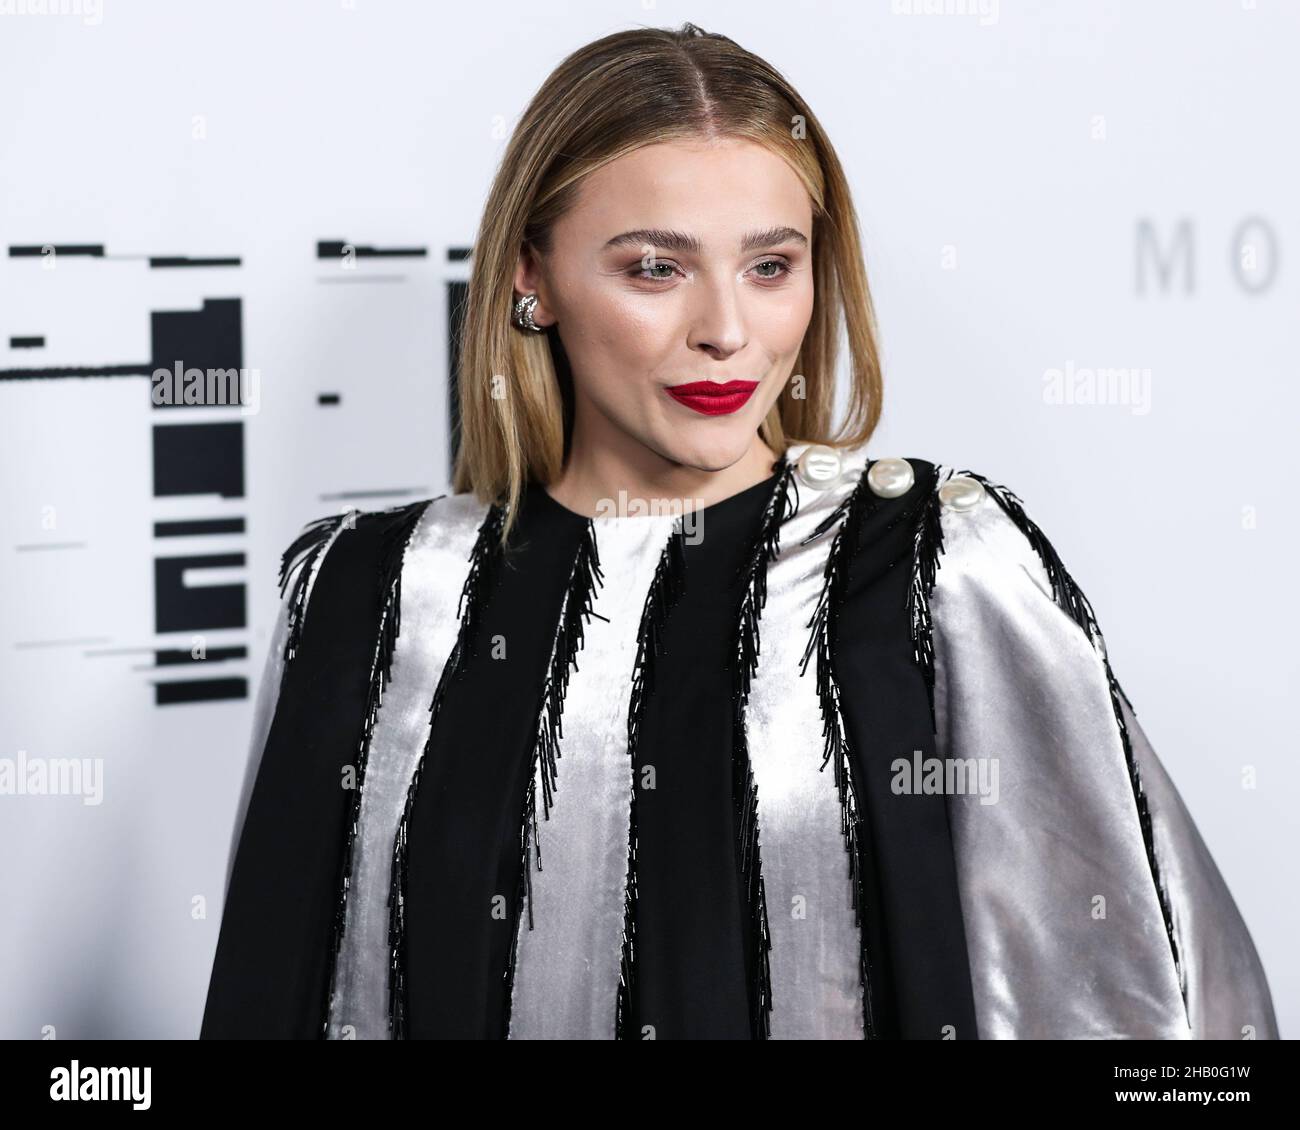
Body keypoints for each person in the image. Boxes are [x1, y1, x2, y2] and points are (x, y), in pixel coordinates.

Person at [200, 23, 1278, 1040]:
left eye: (770, 265)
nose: (725, 329)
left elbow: (1140, 998)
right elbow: (279, 985)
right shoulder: (367, 594)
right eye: (654, 267)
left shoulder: (937, 568)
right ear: (531, 277)